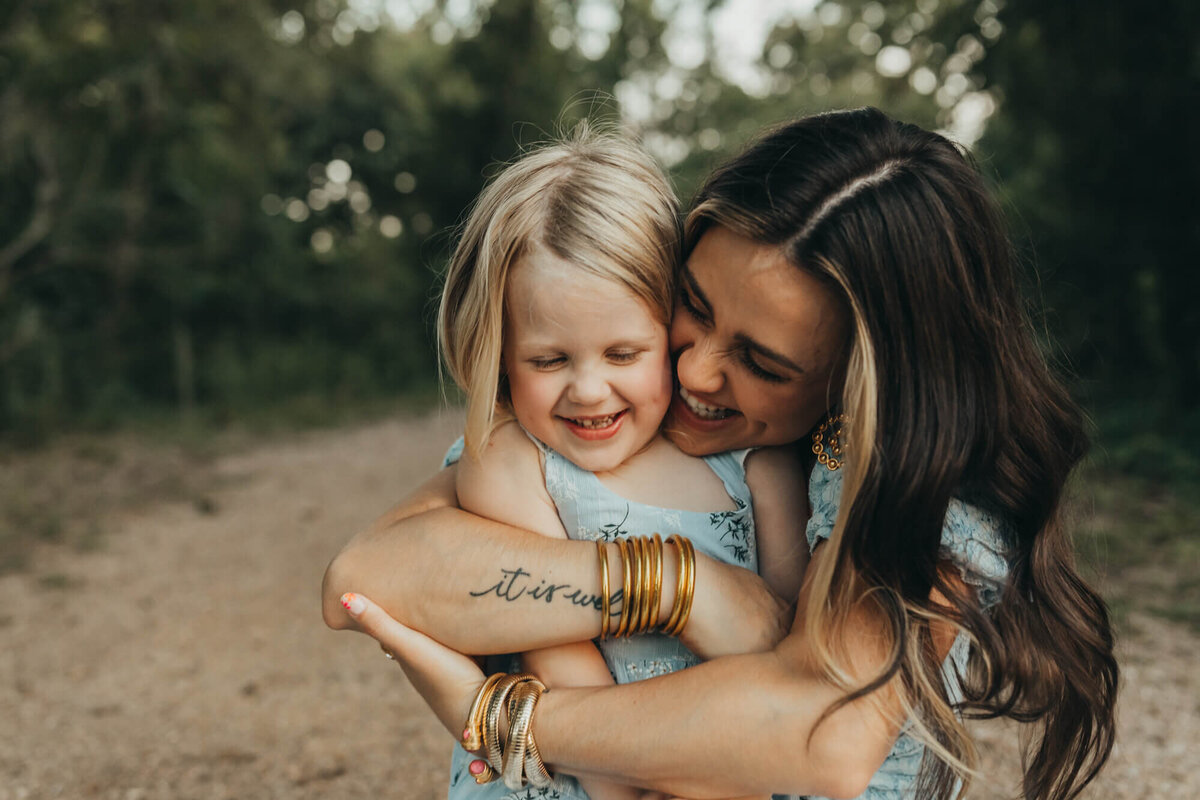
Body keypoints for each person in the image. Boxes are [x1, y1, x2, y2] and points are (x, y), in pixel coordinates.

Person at [324, 108, 1118, 800]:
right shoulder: (589, 438)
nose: (697, 371)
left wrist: (500, 718)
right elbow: (364, 582)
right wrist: (683, 584)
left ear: (861, 384)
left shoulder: (927, 493)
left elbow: (820, 737)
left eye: (764, 362)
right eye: (692, 306)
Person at [427, 124, 803, 800]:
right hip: (586, 773)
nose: (589, 389)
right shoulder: (514, 463)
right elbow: (560, 666)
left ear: (674, 328)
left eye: (624, 354)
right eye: (548, 360)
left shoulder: (754, 463)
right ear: (499, 355)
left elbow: (787, 656)